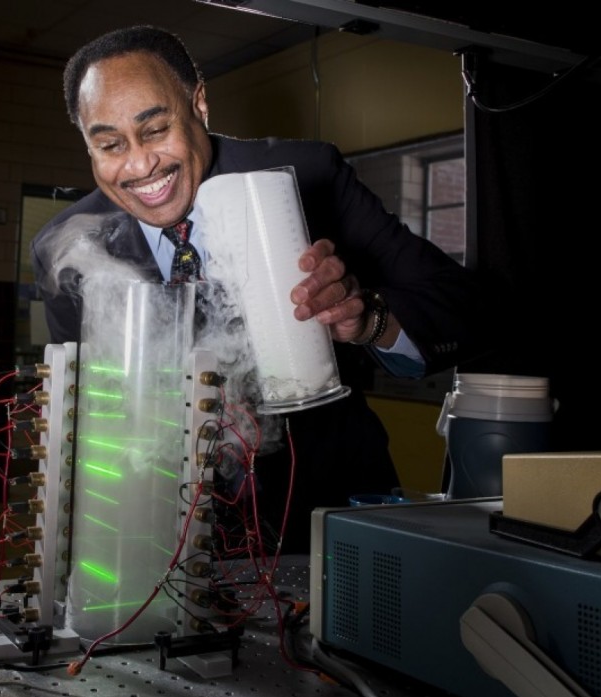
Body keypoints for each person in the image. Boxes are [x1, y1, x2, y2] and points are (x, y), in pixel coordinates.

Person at [32, 25, 494, 552]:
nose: (139, 166)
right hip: (161, 537)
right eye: (110, 144)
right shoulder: (66, 247)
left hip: (325, 511)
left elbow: (468, 306)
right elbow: (92, 419)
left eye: (156, 130)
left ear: (199, 103)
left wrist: (368, 319)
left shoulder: (306, 174)